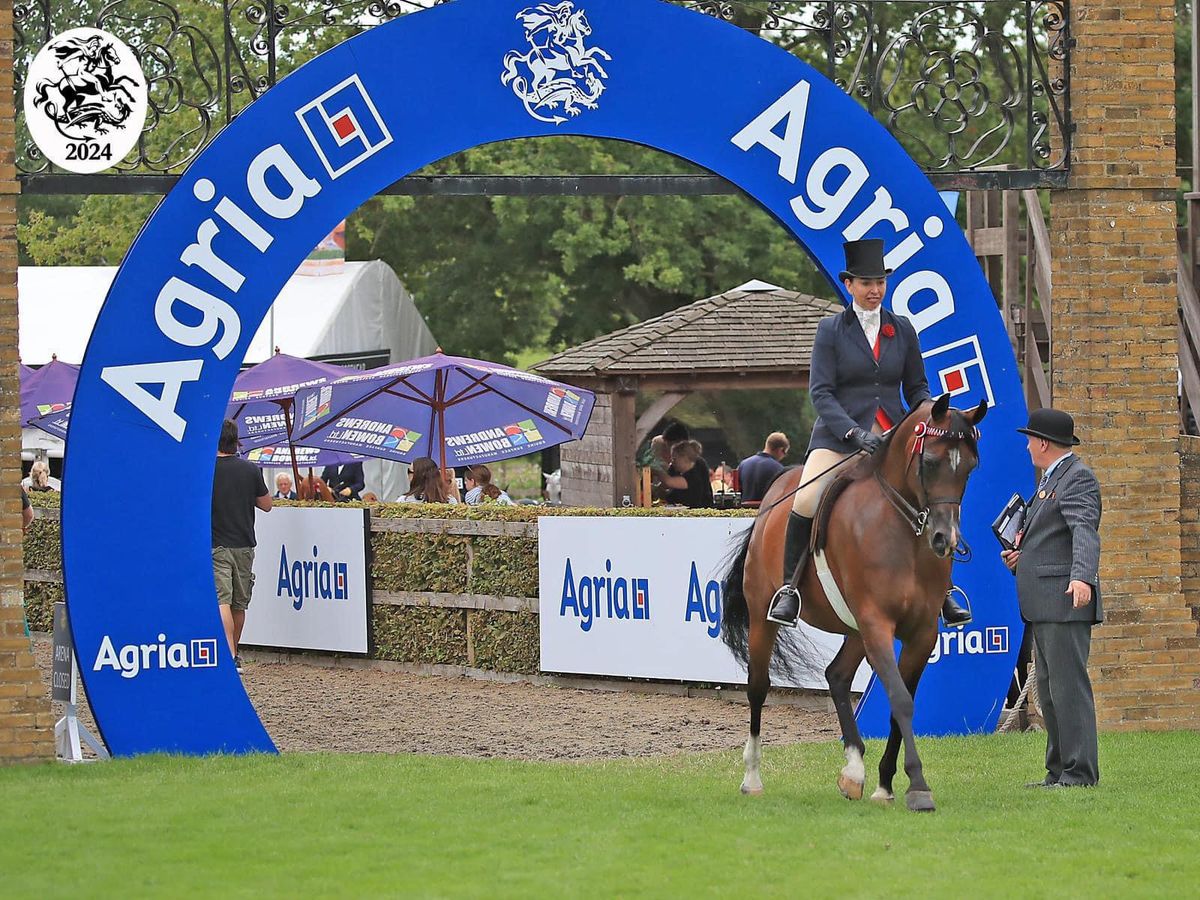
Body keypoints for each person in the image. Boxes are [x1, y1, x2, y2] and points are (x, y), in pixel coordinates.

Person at [767, 239, 971, 628]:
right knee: (807, 498)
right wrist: (853, 434)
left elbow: (916, 388)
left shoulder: (903, 329)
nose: (874, 290)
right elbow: (820, 392)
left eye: (879, 282)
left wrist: (927, 416)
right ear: (849, 285)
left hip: (893, 438)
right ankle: (789, 589)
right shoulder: (831, 330)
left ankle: (944, 592)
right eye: (866, 283)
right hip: (839, 438)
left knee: (931, 495)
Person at [1001, 408, 1102, 788]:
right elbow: (1052, 541)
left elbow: (1084, 532)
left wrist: (1082, 578)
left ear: (1043, 442)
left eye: (1030, 439)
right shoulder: (1051, 480)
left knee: (1067, 690)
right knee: (1050, 691)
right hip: (1046, 603)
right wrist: (1020, 559)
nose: (1027, 446)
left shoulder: (1078, 479)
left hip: (1064, 602)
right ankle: (1058, 770)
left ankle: (1079, 773)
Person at [212, 419, 271, 672]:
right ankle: (235, 652)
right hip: (245, 544)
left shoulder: (206, 470)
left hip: (216, 544)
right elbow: (267, 505)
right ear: (236, 441)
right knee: (239, 603)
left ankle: (229, 654)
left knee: (221, 600)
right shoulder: (250, 469)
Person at [737, 432, 790, 502]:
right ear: (780, 449)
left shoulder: (743, 464)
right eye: (785, 453)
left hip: (744, 510)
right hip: (766, 511)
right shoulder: (779, 469)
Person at [661, 439, 714, 509]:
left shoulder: (698, 465)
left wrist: (656, 471)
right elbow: (666, 485)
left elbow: (670, 482)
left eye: (674, 458)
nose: (672, 461)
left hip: (699, 509)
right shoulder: (674, 467)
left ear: (684, 458)